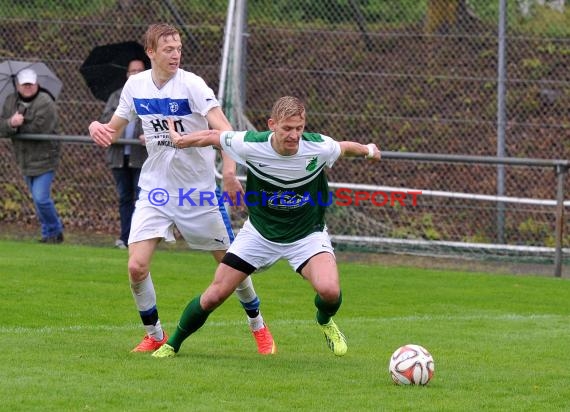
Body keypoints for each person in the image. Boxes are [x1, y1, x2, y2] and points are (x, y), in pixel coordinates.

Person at [88, 23, 276, 354]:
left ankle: (258, 325)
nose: (175, 55)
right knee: (136, 266)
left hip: (197, 193)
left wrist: (229, 173)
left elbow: (226, 131)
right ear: (151, 53)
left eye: (178, 49)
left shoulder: (192, 85)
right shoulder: (136, 85)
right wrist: (97, 127)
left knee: (232, 266)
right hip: (156, 190)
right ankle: (154, 334)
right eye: (168, 49)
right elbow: (113, 129)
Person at [151, 96, 381, 359]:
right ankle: (173, 345)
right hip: (259, 234)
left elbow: (343, 147)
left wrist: (369, 150)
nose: (294, 135)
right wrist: (181, 141)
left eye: (299, 128)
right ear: (272, 124)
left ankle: (325, 320)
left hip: (306, 235)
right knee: (214, 295)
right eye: (287, 128)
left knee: (330, 291)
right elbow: (215, 136)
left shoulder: (318, 147)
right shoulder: (251, 144)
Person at [0, 68, 64, 244]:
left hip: (45, 158)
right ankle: (47, 234)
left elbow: (40, 128)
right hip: (24, 159)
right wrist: (10, 123)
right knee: (37, 200)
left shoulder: (45, 102)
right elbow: (2, 126)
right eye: (24, 84)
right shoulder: (10, 101)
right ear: (18, 85)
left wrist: (17, 125)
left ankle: (56, 230)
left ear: (37, 84)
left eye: (30, 84)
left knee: (41, 198)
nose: (28, 87)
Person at [99, 59, 148, 249]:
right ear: (127, 74)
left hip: (141, 157)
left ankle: (140, 239)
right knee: (124, 198)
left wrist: (149, 135)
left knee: (141, 199)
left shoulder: (151, 97)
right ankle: (125, 237)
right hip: (119, 156)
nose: (135, 74)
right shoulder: (117, 96)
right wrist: (120, 120)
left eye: (139, 71)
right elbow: (105, 120)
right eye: (132, 71)